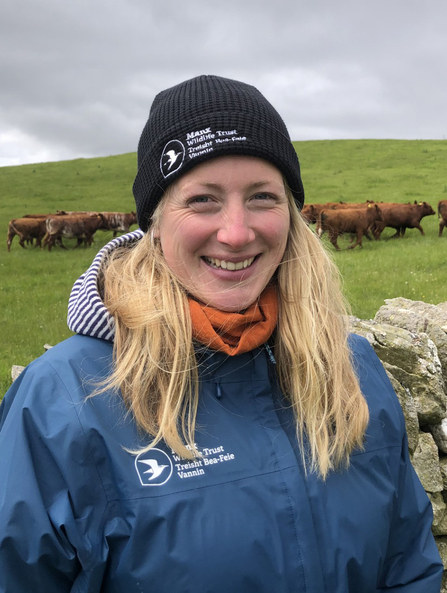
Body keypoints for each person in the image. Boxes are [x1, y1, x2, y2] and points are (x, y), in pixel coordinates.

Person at [0, 75, 443, 592]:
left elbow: (407, 567)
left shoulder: (353, 369)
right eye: (203, 200)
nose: (236, 233)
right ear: (155, 222)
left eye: (262, 197)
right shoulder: (61, 401)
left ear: (293, 216)